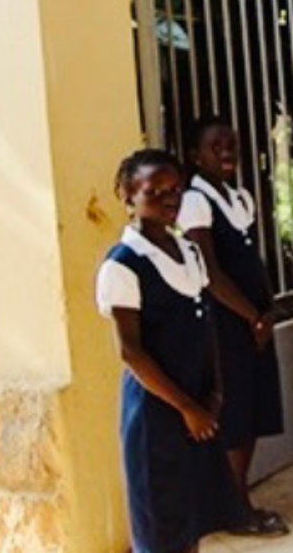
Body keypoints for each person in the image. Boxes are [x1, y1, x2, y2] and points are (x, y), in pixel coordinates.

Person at [97, 149, 256, 552]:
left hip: (200, 410)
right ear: (128, 195)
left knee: (192, 526)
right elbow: (131, 352)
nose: (170, 199)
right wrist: (188, 408)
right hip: (158, 415)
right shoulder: (124, 265)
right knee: (160, 529)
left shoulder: (190, 252)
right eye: (155, 191)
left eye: (176, 190)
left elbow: (207, 332)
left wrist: (216, 393)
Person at [176, 118, 288, 537]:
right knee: (235, 412)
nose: (226, 151)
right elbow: (210, 273)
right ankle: (233, 506)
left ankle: (238, 499)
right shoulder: (195, 201)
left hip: (251, 320)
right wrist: (252, 316)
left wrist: (268, 310)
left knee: (253, 409)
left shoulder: (237, 197)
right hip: (227, 321)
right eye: (215, 145)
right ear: (195, 156)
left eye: (232, 143)